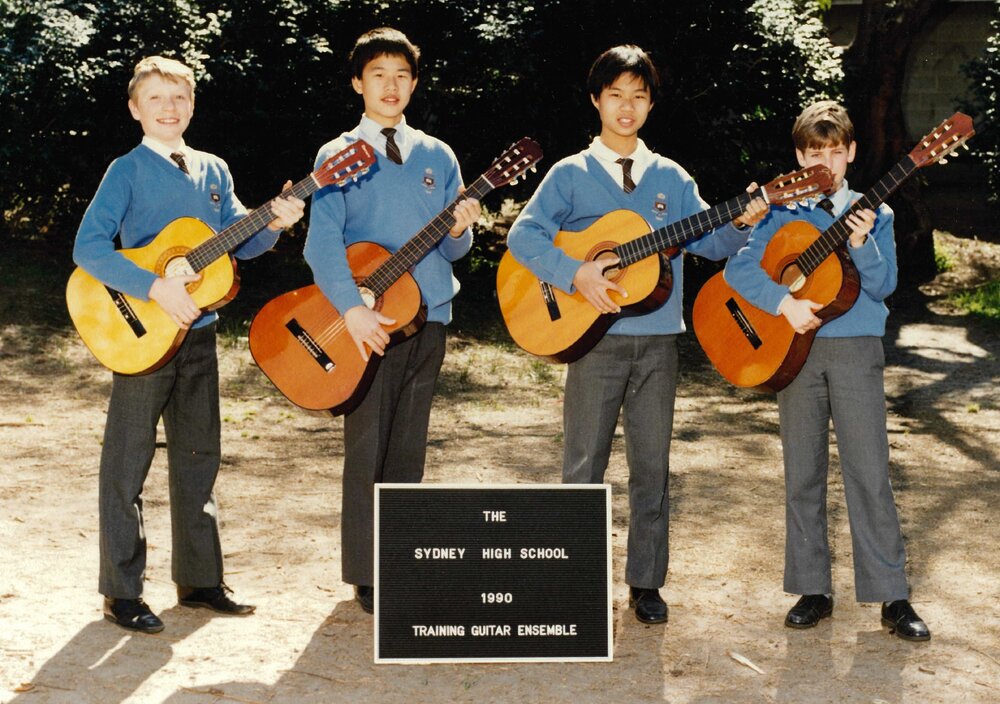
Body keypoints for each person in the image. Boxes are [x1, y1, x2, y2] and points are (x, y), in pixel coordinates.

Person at [506, 45, 767, 624]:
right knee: (583, 465)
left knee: (652, 466)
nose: (627, 108)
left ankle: (646, 584)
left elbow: (714, 244)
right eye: (616, 95)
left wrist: (745, 222)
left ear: (651, 104)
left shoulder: (670, 178)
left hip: (657, 342)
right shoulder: (569, 173)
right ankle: (572, 578)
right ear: (597, 99)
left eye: (639, 97)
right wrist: (574, 272)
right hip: (592, 341)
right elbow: (522, 238)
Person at [73, 55, 305, 633]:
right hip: (143, 339)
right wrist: (154, 284)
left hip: (199, 337)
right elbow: (90, 249)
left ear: (192, 104)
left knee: (200, 458)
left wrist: (273, 223)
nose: (168, 108)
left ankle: (199, 581)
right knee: (127, 465)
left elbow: (237, 247)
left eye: (178, 98)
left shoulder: (213, 170)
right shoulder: (124, 171)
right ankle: (122, 591)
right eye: (155, 99)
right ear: (135, 109)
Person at [723, 100, 930, 641]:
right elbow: (739, 269)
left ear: (851, 153)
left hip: (857, 349)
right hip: (795, 351)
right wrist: (782, 303)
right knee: (803, 473)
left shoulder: (873, 211)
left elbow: (883, 286)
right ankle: (812, 589)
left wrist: (859, 244)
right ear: (799, 156)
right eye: (816, 154)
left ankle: (892, 595)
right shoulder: (782, 213)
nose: (827, 164)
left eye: (836, 153)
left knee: (869, 471)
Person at [303, 28, 481, 614]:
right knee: (369, 446)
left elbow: (455, 251)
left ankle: (398, 557)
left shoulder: (439, 154)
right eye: (378, 74)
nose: (391, 86)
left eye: (402, 75)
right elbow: (321, 244)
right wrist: (351, 311)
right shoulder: (337, 154)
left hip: (430, 318)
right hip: (368, 323)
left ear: (414, 84)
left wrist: (461, 231)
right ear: (358, 82)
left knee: (409, 448)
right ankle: (365, 572)